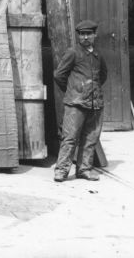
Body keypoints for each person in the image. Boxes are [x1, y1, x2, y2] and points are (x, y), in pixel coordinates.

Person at [53, 19, 108, 182]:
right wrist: (73, 90)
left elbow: (102, 75)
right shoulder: (73, 53)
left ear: (94, 35)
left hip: (95, 103)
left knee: (91, 138)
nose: (85, 38)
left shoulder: (98, 55)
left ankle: (84, 169)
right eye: (82, 34)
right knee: (70, 137)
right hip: (76, 103)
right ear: (78, 36)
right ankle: (61, 171)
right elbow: (59, 75)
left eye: (88, 34)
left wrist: (92, 91)